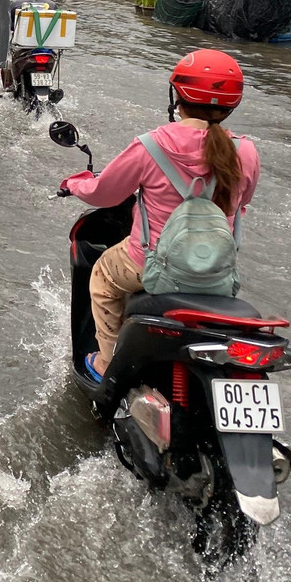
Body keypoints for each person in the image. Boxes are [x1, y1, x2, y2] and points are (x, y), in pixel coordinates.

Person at [61, 50, 259, 382]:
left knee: (102, 276)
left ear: (177, 96)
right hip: (216, 272)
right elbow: (243, 202)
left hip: (149, 265)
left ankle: (108, 362)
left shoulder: (152, 145)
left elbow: (105, 194)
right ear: (232, 103)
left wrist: (76, 183)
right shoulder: (246, 151)